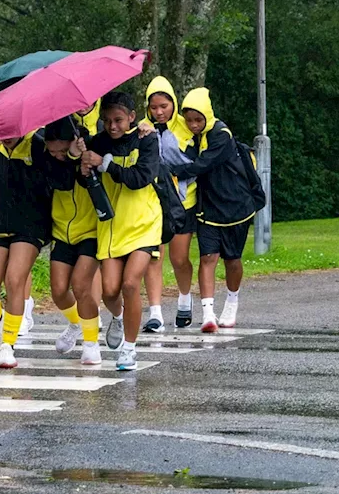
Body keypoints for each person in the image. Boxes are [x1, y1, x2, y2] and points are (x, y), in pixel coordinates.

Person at [0, 128, 73, 369]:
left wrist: (69, 155)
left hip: (30, 227)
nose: (6, 135)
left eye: (11, 130)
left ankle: (8, 345)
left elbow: (62, 180)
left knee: (14, 280)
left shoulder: (39, 146)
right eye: (1, 130)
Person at [79, 91, 162, 371]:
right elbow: (83, 182)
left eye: (118, 120)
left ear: (131, 117)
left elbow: (140, 178)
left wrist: (105, 164)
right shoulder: (98, 143)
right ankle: (119, 317)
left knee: (129, 284)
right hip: (111, 226)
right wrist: (82, 162)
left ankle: (129, 348)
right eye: (107, 121)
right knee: (110, 291)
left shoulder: (146, 138)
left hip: (144, 222)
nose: (113, 127)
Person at [170, 87, 259, 332]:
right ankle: (208, 314)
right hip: (208, 209)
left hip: (235, 208)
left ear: (208, 115)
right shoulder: (191, 136)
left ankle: (232, 301)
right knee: (208, 257)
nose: (193, 124)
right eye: (188, 120)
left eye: (198, 120)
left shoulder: (222, 135)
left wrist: (175, 171)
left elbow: (203, 164)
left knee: (233, 260)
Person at [43, 116, 104, 365]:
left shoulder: (91, 148)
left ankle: (91, 343)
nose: (56, 155)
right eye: (52, 151)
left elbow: (82, 178)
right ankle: (78, 324)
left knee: (81, 286)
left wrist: (81, 155)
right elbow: (61, 179)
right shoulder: (49, 161)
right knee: (58, 291)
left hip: (90, 231)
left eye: (60, 149)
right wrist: (67, 157)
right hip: (61, 231)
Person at [142, 76, 197, 332]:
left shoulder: (187, 128)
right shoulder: (142, 128)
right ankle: (155, 313)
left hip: (183, 202)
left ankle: (184, 299)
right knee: (154, 258)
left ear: (173, 104)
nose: (159, 112)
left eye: (164, 106)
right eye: (154, 107)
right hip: (153, 204)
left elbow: (196, 165)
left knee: (179, 258)